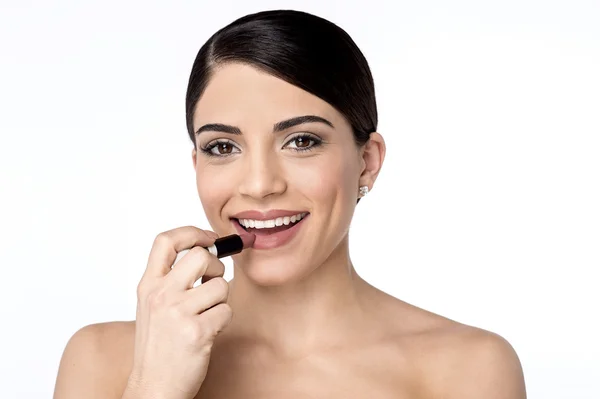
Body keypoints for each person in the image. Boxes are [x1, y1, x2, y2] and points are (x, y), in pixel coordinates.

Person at [53, 9, 526, 399]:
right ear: (196, 163)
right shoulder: (104, 361)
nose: (259, 185)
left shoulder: (467, 371)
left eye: (301, 141)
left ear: (367, 162)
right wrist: (152, 387)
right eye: (223, 147)